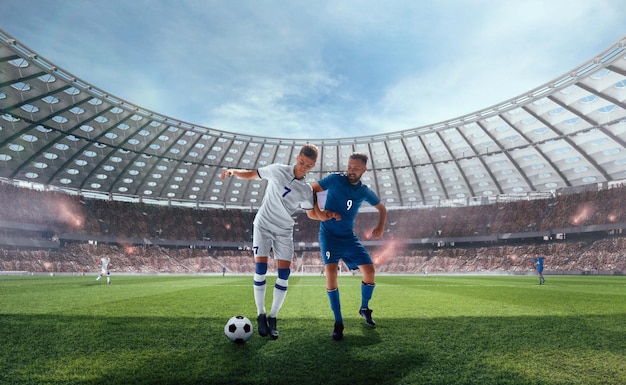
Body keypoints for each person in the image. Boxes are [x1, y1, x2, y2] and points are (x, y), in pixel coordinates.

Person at [220, 144, 319, 340]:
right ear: (297, 157)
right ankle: (261, 314)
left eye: (308, 166)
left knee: (284, 274)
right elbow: (252, 174)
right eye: (301, 162)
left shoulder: (306, 190)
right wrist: (233, 171)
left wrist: (327, 215)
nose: (303, 167)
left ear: (313, 166)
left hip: (284, 230)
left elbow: (311, 212)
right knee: (261, 269)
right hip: (263, 225)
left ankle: (273, 317)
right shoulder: (277, 170)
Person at [307, 152, 387, 341]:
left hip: (348, 237)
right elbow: (312, 190)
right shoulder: (335, 179)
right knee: (332, 273)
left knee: (369, 270)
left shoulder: (364, 191)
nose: (351, 171)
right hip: (328, 235)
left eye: (356, 168)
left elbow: (382, 208)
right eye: (349, 166)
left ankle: (364, 308)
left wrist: (380, 227)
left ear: (364, 170)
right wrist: (320, 213)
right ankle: (338, 322)